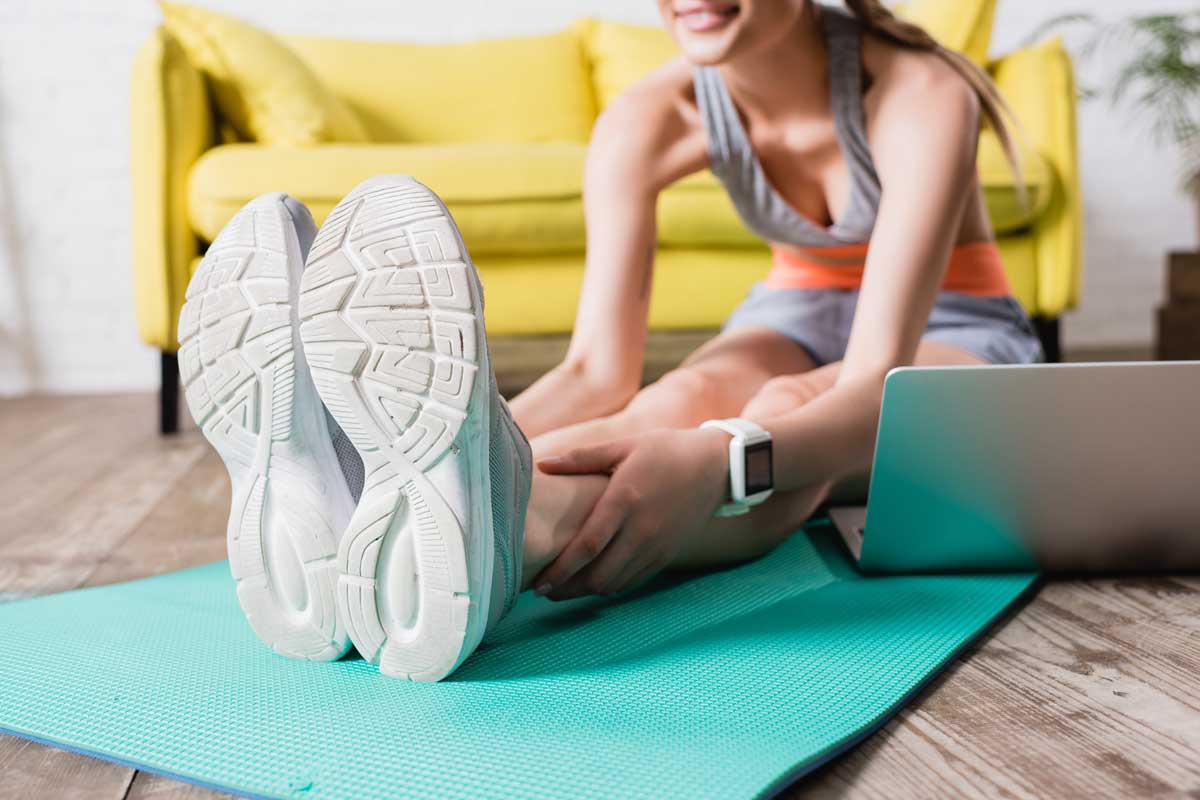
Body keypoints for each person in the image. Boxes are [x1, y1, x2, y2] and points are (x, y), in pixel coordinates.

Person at [181, 0, 1041, 682]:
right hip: (789, 310)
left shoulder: (923, 93)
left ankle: (498, 544)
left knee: (772, 424)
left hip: (950, 333)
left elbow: (870, 381)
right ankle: (410, 504)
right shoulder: (647, 115)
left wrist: (721, 461)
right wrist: (473, 430)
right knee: (667, 403)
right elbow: (598, 371)